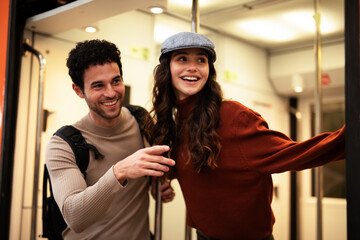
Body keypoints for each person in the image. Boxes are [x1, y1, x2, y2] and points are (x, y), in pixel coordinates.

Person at [149, 32, 345, 240]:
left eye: (201, 60)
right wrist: (161, 183)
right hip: (204, 236)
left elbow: (295, 153)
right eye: (182, 58)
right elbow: (186, 168)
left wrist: (348, 138)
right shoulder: (175, 123)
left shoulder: (234, 117)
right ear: (167, 68)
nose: (193, 67)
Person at [45, 39, 175, 240]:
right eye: (98, 86)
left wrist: (158, 187)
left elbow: (148, 181)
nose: (111, 92)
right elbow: (75, 217)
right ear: (79, 91)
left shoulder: (141, 120)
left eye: (116, 81)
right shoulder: (63, 145)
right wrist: (119, 171)